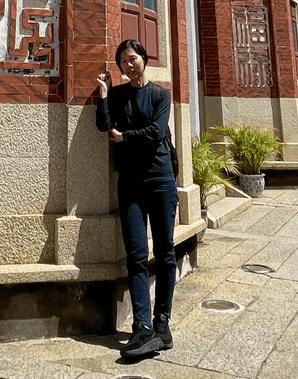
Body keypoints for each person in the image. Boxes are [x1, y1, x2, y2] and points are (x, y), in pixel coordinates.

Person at [96, 38, 177, 360]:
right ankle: (142, 328)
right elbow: (103, 125)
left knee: (166, 252)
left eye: (133, 59)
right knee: (136, 256)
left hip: (160, 180)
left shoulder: (160, 94)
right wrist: (103, 95)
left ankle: (162, 323)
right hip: (129, 183)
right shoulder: (117, 95)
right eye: (123, 62)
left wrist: (126, 136)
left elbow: (156, 132)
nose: (129, 65)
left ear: (144, 59)